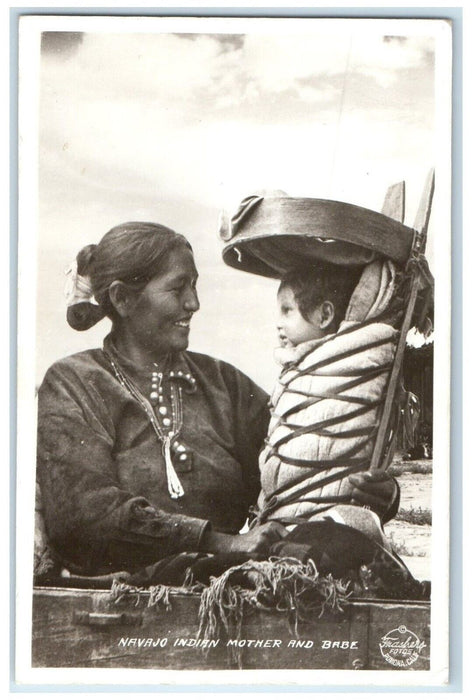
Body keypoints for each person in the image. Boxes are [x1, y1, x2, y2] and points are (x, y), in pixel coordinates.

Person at [35, 221, 398, 579]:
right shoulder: (74, 382)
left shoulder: (224, 385)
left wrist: (378, 494)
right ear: (123, 298)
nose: (194, 303)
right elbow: (85, 516)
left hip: (226, 592)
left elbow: (295, 475)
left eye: (194, 286)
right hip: (113, 604)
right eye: (178, 289)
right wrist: (221, 543)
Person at [255, 260, 400, 545]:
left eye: (287, 310)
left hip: (324, 523)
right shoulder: (292, 377)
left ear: (324, 315)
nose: (278, 323)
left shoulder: (355, 359)